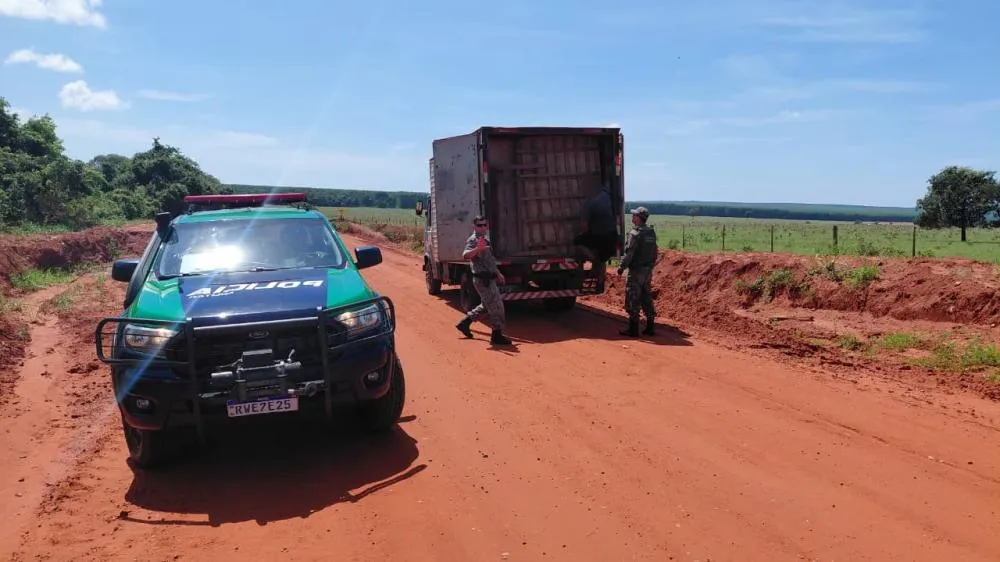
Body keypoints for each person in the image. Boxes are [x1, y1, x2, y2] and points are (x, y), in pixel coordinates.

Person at [455, 216, 513, 346]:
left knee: (487, 306)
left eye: (484, 225)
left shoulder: (485, 239)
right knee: (497, 307)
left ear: (487, 226)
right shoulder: (474, 240)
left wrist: (498, 273)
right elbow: (465, 255)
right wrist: (477, 249)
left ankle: (464, 323)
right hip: (482, 280)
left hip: (488, 278)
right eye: (479, 225)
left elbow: (489, 261)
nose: (482, 227)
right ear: (474, 227)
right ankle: (496, 336)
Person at [616, 207, 658, 337]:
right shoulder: (651, 232)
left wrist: (621, 267)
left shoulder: (635, 234)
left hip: (636, 271)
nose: (632, 217)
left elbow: (629, 254)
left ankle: (633, 329)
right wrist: (650, 266)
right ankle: (650, 327)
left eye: (634, 215)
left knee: (633, 297)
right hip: (647, 270)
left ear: (639, 218)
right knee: (646, 296)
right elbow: (655, 252)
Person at [573, 184, 618, 292]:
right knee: (602, 259)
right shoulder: (610, 199)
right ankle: (600, 283)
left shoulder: (590, 203)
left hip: (599, 237)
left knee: (577, 241)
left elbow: (584, 227)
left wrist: (584, 233)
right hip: (613, 237)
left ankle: (593, 258)